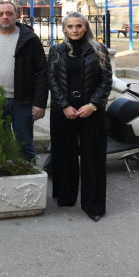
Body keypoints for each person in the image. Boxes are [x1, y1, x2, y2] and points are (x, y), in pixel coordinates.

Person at [47, 12, 112, 222]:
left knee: (93, 158)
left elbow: (106, 80)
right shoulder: (56, 50)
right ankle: (66, 197)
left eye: (78, 26)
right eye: (70, 26)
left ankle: (93, 206)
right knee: (64, 154)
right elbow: (52, 80)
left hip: (91, 111)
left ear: (85, 28)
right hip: (64, 112)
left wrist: (93, 105)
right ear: (64, 29)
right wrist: (64, 106)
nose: (74, 30)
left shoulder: (99, 49)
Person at [0, 1, 48, 161]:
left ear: (16, 16)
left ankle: (30, 176)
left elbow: (43, 72)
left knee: (25, 147)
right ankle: (2, 175)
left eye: (9, 13)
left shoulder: (29, 39)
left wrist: (39, 103)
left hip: (22, 102)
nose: (5, 17)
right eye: (1, 14)